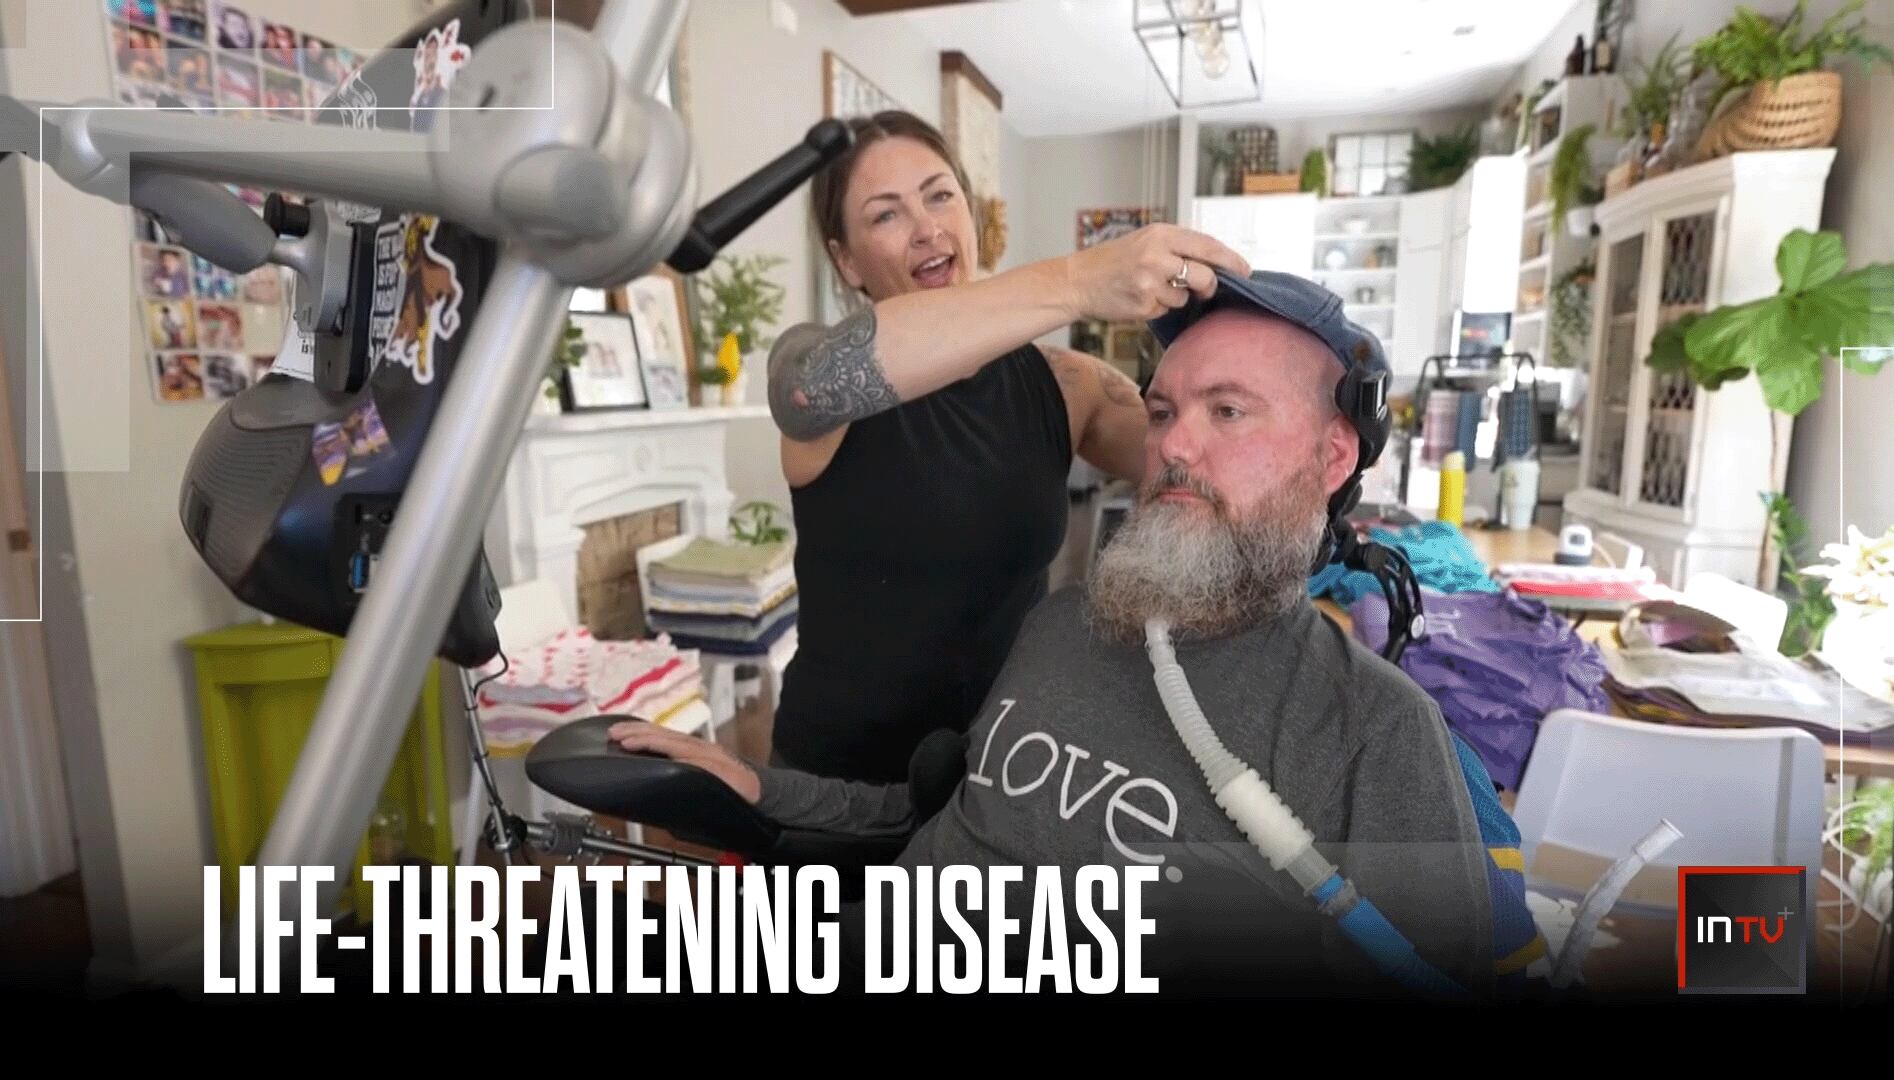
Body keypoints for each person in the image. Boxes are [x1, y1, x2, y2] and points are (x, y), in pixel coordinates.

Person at [612, 271, 1543, 996]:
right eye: (1163, 411)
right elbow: (940, 814)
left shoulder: (1373, 733)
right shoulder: (1068, 624)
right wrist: (761, 787)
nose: (1174, 445)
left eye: (1227, 411)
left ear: (1333, 454)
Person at [760, 108, 1251, 785]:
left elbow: (1204, 466)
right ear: (846, 259)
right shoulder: (815, 363)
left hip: (998, 776)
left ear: (970, 212)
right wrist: (1078, 281)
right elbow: (806, 391)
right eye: (886, 215)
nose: (927, 228)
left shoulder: (1068, 386)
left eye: (940, 195)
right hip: (832, 785)